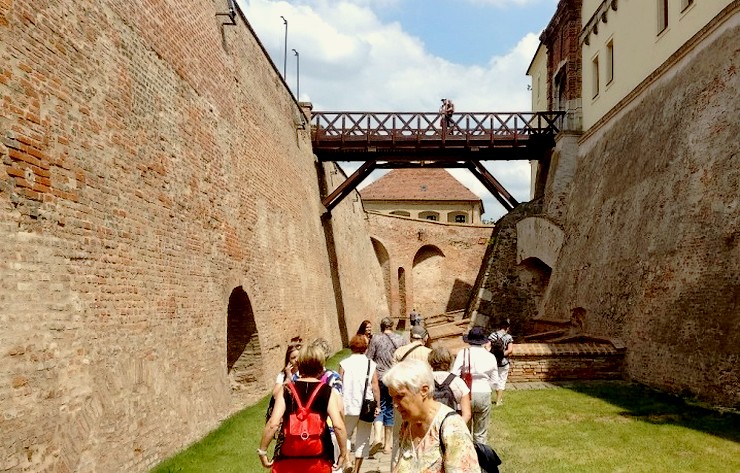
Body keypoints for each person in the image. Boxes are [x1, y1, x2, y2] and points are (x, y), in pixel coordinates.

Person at [259, 344, 348, 472]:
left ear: (299, 365)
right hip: (318, 458)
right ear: (320, 365)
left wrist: (262, 451)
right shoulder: (328, 391)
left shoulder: (286, 390)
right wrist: (343, 452)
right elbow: (338, 425)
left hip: (288, 458)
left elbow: (273, 423)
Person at [383, 359, 481, 473]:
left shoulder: (451, 427)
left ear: (424, 390)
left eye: (400, 396)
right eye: (392, 397)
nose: (394, 404)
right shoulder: (408, 423)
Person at [339, 335, 381, 473]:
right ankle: (356, 470)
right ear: (365, 348)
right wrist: (378, 405)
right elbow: (375, 386)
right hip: (366, 406)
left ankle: (346, 460)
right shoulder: (371, 364)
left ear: (351, 347)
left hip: (347, 405)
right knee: (363, 439)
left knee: (345, 435)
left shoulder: (344, 363)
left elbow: (338, 385)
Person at [366, 316, 406, 456]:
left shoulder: (376, 339)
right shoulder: (401, 339)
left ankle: (377, 437)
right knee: (390, 408)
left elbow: (369, 358)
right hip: (394, 378)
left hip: (379, 378)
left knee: (379, 406)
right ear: (392, 325)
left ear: (381, 326)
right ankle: (388, 445)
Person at [451, 326, 499, 444]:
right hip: (483, 392)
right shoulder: (490, 356)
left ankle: (466, 458)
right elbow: (495, 381)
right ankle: (480, 458)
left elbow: (454, 374)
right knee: (481, 433)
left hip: (465, 393)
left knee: (464, 430)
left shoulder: (463, 353)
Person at [428, 345, 472, 424]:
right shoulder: (458, 382)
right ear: (450, 361)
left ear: (430, 361)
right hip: (450, 423)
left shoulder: (424, 380)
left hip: (429, 425)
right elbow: (467, 414)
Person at [266, 342, 302, 422]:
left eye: (299, 356)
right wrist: (288, 378)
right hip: (287, 411)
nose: (297, 360)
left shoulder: (306, 372)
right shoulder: (282, 375)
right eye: (293, 358)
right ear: (288, 360)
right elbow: (275, 394)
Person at [488, 320, 514, 406]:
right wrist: (501, 355)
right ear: (507, 328)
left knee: (492, 380)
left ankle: (492, 398)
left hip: (492, 361)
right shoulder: (509, 337)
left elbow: (487, 347)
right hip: (504, 362)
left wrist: (493, 355)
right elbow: (510, 350)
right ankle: (498, 401)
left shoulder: (493, 335)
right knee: (501, 380)